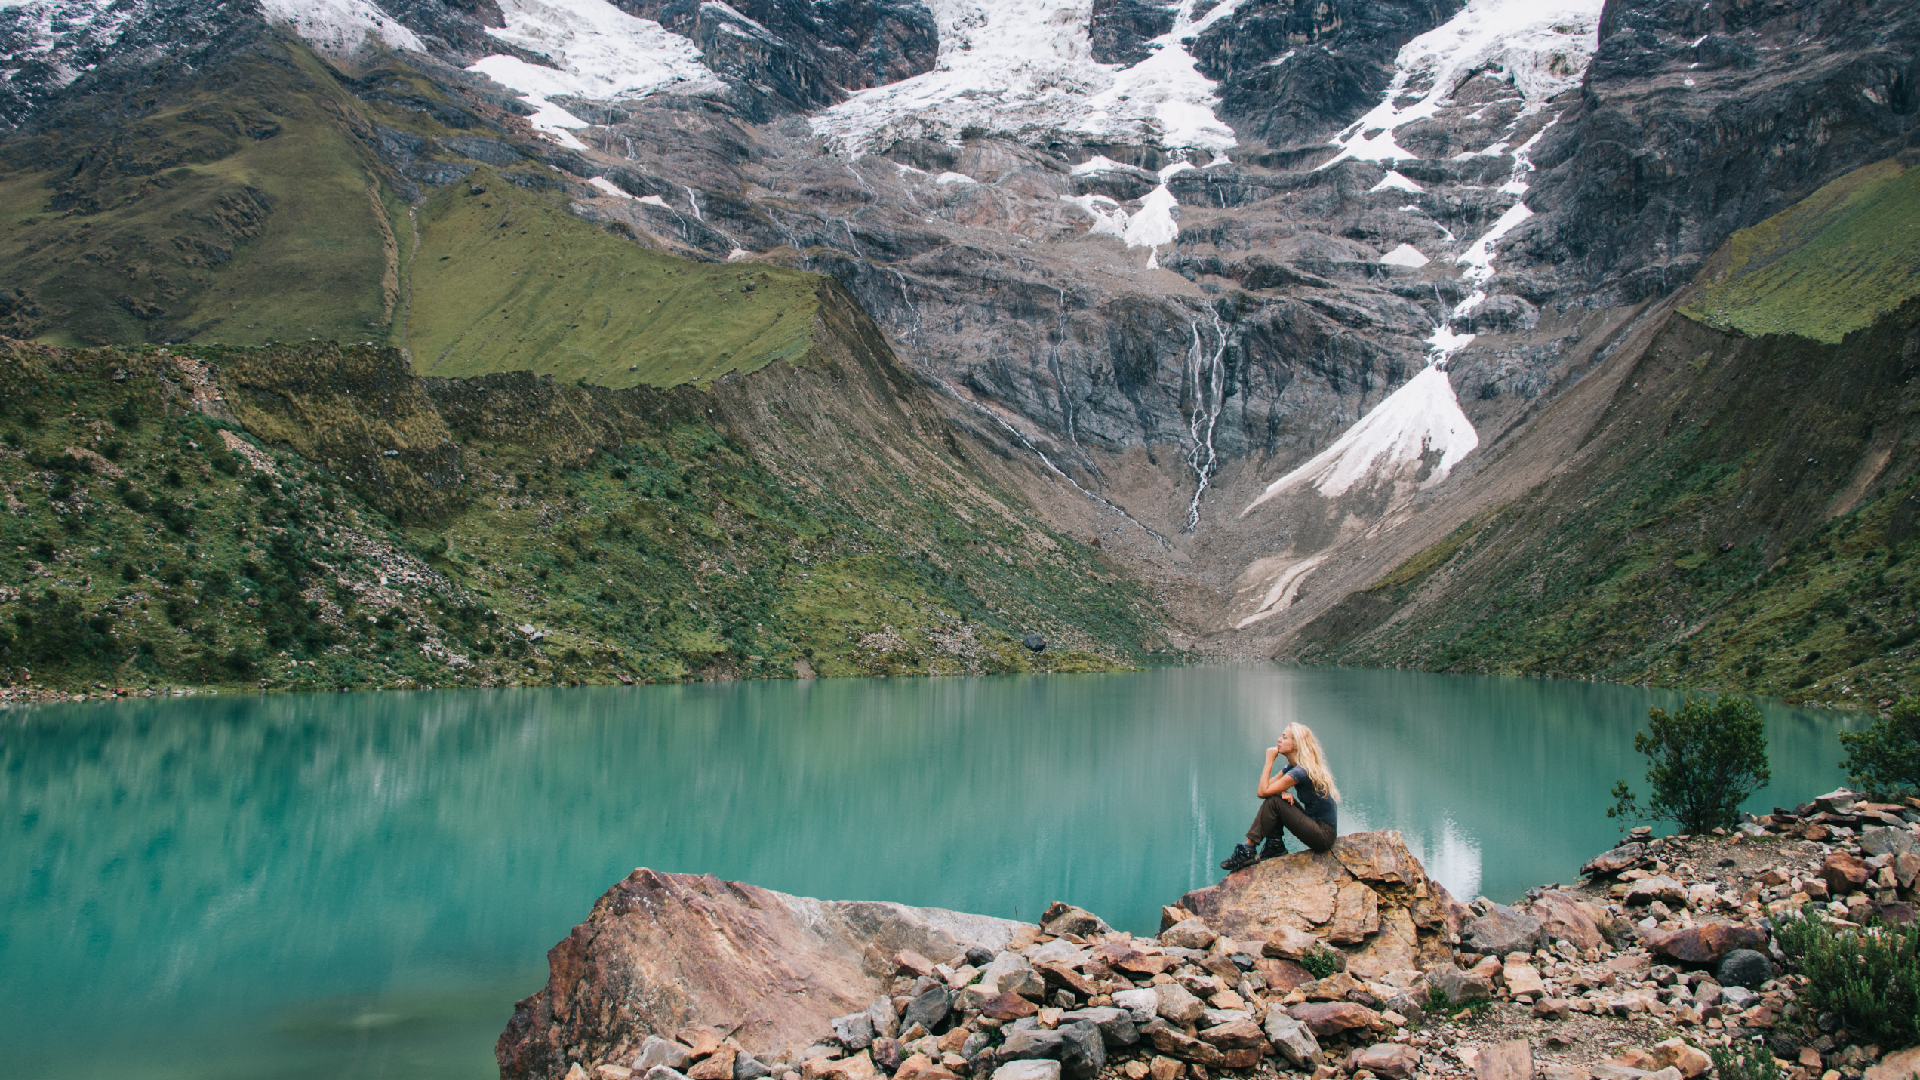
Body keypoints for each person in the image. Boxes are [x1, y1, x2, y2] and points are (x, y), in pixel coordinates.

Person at [1219, 722, 1340, 872]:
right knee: (1276, 799)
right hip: (1316, 826)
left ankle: (1248, 850)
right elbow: (1267, 788)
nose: (1278, 740)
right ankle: (1273, 845)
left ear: (1295, 745)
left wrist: (1269, 761)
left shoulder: (1301, 771)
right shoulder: (1295, 766)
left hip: (1323, 836)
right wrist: (1280, 792)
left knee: (1275, 802)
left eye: (1284, 737)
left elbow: (1262, 792)